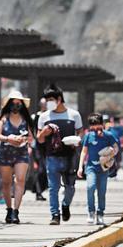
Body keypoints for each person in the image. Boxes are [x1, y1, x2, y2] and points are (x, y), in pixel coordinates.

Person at [37, 84, 83, 225]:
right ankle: (55, 214)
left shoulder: (74, 115)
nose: (48, 102)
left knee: (70, 186)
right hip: (52, 157)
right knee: (53, 187)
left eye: (51, 99)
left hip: (70, 156)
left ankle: (65, 205)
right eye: (47, 100)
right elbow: (39, 138)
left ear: (59, 99)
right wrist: (43, 133)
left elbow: (80, 131)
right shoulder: (44, 117)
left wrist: (78, 140)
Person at [0, 91, 34, 224]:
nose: (16, 105)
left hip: (21, 153)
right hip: (6, 152)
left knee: (20, 180)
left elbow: (31, 137)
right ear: (9, 104)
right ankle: (9, 208)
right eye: (13, 103)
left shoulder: (26, 120)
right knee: (6, 182)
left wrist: (22, 139)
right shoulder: (3, 118)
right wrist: (8, 138)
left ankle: (16, 210)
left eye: (19, 103)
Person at [77, 113, 119, 225]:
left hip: (103, 168)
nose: (96, 129)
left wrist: (110, 154)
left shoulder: (108, 135)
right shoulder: (88, 136)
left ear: (102, 124)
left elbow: (116, 148)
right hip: (91, 167)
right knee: (90, 187)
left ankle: (100, 213)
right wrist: (80, 167)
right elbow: (84, 151)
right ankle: (91, 212)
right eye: (93, 126)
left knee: (102, 192)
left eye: (98, 126)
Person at [30, 98, 48, 201]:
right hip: (37, 147)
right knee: (41, 169)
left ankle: (38, 189)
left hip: (48, 147)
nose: (45, 105)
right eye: (43, 104)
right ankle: (38, 191)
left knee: (46, 169)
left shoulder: (51, 116)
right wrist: (30, 145)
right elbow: (31, 131)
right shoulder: (35, 116)